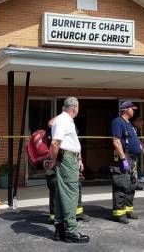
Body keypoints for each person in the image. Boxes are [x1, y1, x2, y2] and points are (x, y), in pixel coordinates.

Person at [46, 97, 89, 243]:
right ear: (74, 108)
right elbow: (55, 142)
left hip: (67, 158)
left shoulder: (62, 119)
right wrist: (53, 160)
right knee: (71, 194)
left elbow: (52, 127)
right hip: (67, 159)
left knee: (61, 194)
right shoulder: (64, 120)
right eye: (78, 107)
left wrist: (78, 158)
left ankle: (60, 230)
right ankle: (71, 232)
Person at [111, 101, 143, 224]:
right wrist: (123, 159)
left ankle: (128, 210)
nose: (133, 111)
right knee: (121, 185)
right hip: (125, 158)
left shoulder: (129, 123)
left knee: (131, 185)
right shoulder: (118, 122)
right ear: (126, 110)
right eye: (132, 109)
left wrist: (139, 147)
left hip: (133, 159)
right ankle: (119, 214)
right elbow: (116, 141)